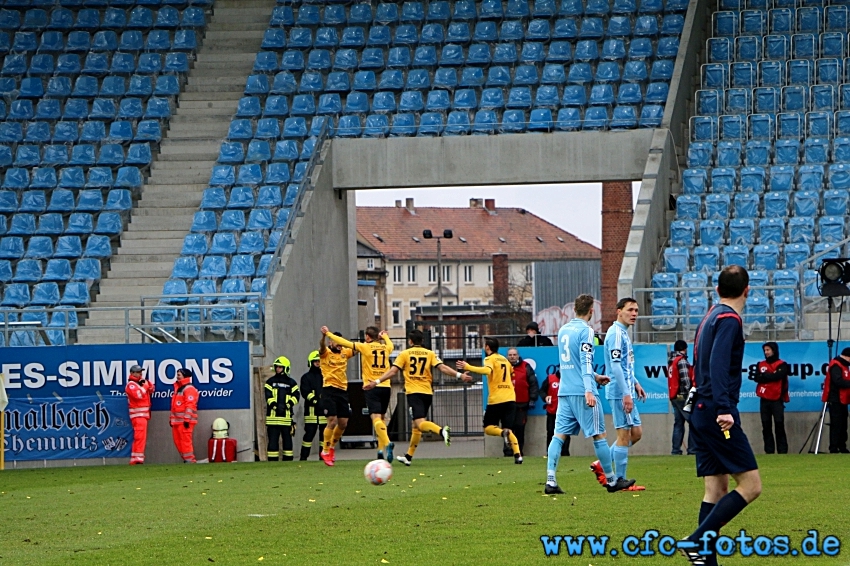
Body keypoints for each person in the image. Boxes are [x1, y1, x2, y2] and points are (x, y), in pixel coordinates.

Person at [681, 265, 762, 566]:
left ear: (717, 290)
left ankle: (706, 561)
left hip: (702, 409)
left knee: (716, 488)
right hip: (717, 412)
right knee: (751, 485)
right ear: (747, 290)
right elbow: (717, 364)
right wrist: (725, 407)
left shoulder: (710, 316)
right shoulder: (729, 319)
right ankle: (697, 541)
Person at [544, 293, 633, 495]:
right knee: (599, 435)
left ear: (574, 309)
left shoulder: (563, 330)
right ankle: (611, 481)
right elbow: (584, 362)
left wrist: (594, 376)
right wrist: (588, 388)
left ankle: (550, 480)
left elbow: (570, 364)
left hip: (565, 391)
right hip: (583, 392)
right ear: (592, 310)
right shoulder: (586, 331)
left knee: (558, 436)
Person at [364, 329, 455, 466]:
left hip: (414, 393)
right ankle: (408, 456)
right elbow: (443, 368)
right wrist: (460, 375)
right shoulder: (430, 353)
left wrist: (376, 381)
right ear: (422, 341)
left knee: (419, 423)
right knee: (416, 427)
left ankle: (441, 431)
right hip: (427, 393)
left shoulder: (405, 354)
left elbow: (393, 371)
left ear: (410, 341)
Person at [591, 298, 645, 491]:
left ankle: (601, 463)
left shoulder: (623, 333)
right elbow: (615, 366)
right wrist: (625, 394)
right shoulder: (615, 334)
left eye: (636, 310)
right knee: (623, 435)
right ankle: (620, 480)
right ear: (618, 311)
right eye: (630, 310)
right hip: (619, 392)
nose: (634, 314)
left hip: (628, 390)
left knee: (636, 434)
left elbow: (625, 365)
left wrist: (636, 384)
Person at [325, 326, 395, 461]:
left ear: (368, 337)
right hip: (386, 386)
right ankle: (380, 450)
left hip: (371, 386)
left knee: (375, 418)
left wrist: (328, 334)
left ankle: (386, 443)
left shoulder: (365, 347)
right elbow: (390, 344)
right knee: (381, 418)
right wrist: (385, 336)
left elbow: (345, 343)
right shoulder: (386, 348)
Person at [457, 338, 524, 464]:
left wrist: (468, 366)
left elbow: (487, 371)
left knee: (488, 428)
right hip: (510, 398)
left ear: (487, 347)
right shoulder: (505, 360)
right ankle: (518, 455)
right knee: (509, 428)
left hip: (497, 399)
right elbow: (511, 373)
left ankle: (501, 433)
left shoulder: (489, 359)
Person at [318, 327, 356, 466]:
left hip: (342, 391)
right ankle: (325, 450)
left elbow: (358, 348)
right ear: (330, 342)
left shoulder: (345, 353)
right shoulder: (326, 352)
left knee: (343, 423)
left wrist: (374, 343)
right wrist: (323, 337)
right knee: (332, 421)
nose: (339, 344)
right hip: (329, 390)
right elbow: (321, 347)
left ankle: (332, 446)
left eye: (340, 342)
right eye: (336, 342)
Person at [752, 342, 790, 454]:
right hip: (764, 399)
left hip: (777, 399)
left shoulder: (782, 364)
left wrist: (766, 376)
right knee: (766, 426)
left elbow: (778, 376)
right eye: (765, 350)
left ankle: (782, 451)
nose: (766, 352)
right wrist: (769, 375)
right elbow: (756, 377)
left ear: (774, 350)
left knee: (779, 425)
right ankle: (769, 451)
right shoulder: (761, 364)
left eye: (768, 350)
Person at [264, 356, 300, 461]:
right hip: (272, 419)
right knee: (273, 442)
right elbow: (268, 397)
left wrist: (287, 405)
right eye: (277, 367)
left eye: (280, 367)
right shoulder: (270, 382)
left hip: (286, 419)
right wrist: (275, 406)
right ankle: (272, 463)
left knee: (287, 442)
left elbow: (296, 396)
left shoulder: (292, 383)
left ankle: (288, 462)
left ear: (286, 368)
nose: (278, 369)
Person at [505, 347, 539, 456]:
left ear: (518, 355)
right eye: (510, 355)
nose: (512, 357)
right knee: (507, 430)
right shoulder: (503, 367)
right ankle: (507, 452)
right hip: (506, 404)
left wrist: (533, 398)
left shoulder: (526, 366)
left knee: (520, 429)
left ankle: (518, 452)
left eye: (514, 354)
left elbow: (533, 383)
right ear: (507, 356)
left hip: (522, 404)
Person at [299, 351, 327, 461]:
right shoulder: (306, 377)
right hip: (311, 412)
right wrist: (316, 400)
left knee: (324, 437)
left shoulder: (326, 376)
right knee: (308, 436)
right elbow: (305, 392)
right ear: (311, 362)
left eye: (319, 361)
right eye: (315, 361)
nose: (317, 363)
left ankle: (323, 457)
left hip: (324, 412)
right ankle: (303, 457)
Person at [668, 340, 694, 456]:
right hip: (683, 395)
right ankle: (692, 449)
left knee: (678, 423)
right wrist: (691, 393)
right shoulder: (681, 360)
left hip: (674, 396)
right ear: (685, 348)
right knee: (693, 422)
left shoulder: (671, 360)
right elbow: (685, 380)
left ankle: (676, 450)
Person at [125, 365, 154, 465]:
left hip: (143, 415)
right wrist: (144, 386)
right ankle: (137, 459)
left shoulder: (140, 382)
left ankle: (137, 458)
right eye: (137, 372)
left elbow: (151, 389)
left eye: (140, 372)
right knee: (139, 437)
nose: (140, 374)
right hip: (137, 415)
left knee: (141, 437)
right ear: (132, 373)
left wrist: (146, 384)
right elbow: (138, 395)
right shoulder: (131, 384)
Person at [823, 347, 850, 453]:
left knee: (843, 424)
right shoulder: (836, 365)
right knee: (836, 424)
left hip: (843, 399)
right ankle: (833, 447)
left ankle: (842, 445)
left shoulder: (844, 366)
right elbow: (837, 381)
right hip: (835, 399)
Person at [170, 368, 199, 464]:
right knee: (178, 442)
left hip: (185, 422)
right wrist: (171, 419)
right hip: (177, 422)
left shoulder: (189, 389)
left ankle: (190, 460)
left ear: (185, 376)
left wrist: (187, 419)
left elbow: (190, 405)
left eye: (179, 374)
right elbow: (174, 406)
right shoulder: (178, 388)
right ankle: (186, 459)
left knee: (185, 442)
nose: (177, 376)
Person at [544, 370, 570, 457]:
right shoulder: (550, 378)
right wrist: (545, 397)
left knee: (566, 433)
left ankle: (565, 453)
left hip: (565, 411)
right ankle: (550, 453)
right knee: (551, 432)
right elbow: (542, 391)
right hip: (552, 411)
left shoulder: (570, 379)